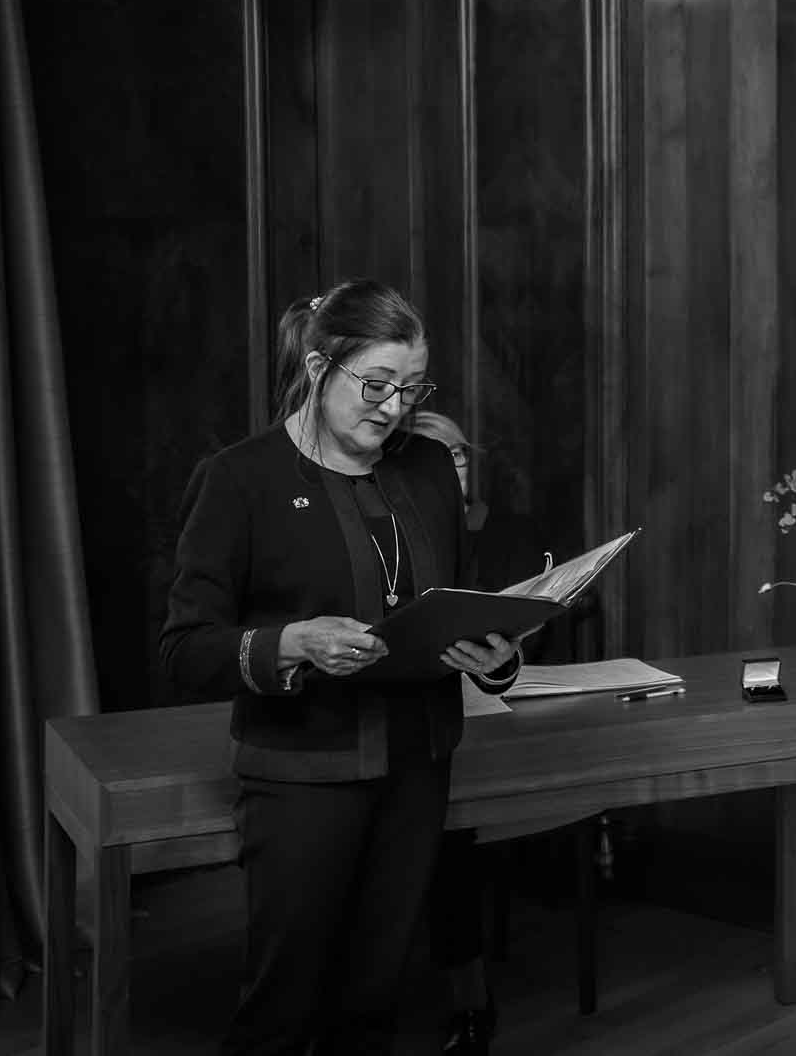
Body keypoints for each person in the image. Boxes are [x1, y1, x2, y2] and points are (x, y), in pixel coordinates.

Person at [159, 280, 522, 1055]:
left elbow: (461, 601)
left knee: (374, 998)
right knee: (285, 1008)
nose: (394, 408)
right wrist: (293, 642)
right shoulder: (238, 479)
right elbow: (185, 650)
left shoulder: (426, 469)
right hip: (301, 777)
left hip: (418, 765)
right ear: (321, 367)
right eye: (377, 385)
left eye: (412, 388)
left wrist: (495, 655)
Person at [409, 410, 548, 1056]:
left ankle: (469, 997)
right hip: (419, 706)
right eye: (438, 458)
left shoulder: (509, 531)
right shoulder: (399, 530)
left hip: (506, 699)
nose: (455, 467)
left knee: (453, 824)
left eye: (460, 455)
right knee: (440, 818)